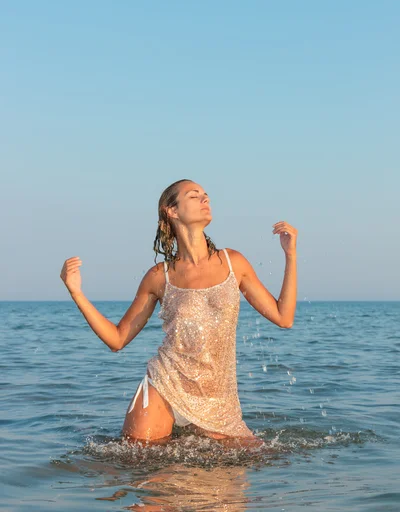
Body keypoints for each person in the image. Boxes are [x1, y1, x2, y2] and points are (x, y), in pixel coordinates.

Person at [60, 179, 298, 444]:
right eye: (194, 196)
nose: (205, 199)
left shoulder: (234, 263)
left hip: (216, 398)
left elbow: (283, 317)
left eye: (206, 195)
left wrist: (290, 255)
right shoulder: (159, 277)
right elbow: (117, 339)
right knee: (138, 463)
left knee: (248, 464)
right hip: (165, 384)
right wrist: (76, 293)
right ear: (171, 210)